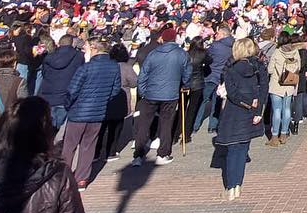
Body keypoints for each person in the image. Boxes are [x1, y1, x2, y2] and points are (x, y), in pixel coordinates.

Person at [62, 39, 122, 189]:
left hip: (78, 113)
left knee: (69, 146)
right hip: (98, 112)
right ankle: (82, 179)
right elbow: (115, 90)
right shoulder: (114, 67)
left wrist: (68, 105)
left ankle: (64, 177)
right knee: (88, 146)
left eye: (87, 46)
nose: (85, 48)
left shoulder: (86, 68)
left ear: (94, 48)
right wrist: (102, 101)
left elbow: (72, 91)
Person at [132, 25, 192, 167]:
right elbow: (187, 73)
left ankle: (138, 156)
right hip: (170, 94)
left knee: (144, 124)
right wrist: (185, 85)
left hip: (152, 93)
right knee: (166, 124)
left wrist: (143, 91)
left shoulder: (154, 53)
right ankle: (162, 153)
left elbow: (143, 75)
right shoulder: (182, 54)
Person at [214, 37, 265, 199]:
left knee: (233, 149)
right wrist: (258, 109)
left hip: (234, 111)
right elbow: (264, 89)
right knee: (242, 149)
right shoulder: (259, 67)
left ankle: (231, 185)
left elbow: (232, 92)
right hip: (252, 111)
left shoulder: (231, 68)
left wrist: (248, 103)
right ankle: (238, 185)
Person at [34, 33, 83, 129]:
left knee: (45, 126)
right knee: (57, 128)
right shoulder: (79, 56)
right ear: (72, 44)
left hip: (48, 93)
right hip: (65, 95)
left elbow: (44, 73)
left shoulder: (49, 56)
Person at [267, 34, 302, 147]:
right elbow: (299, 67)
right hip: (289, 84)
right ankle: (284, 134)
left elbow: (270, 70)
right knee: (286, 109)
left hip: (277, 84)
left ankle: (274, 137)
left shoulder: (277, 52)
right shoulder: (295, 52)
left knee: (277, 110)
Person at [197, 25, 233, 132]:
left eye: (217, 34)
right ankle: (213, 126)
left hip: (211, 76)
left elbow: (206, 56)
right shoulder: (233, 46)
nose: (216, 35)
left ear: (222, 34)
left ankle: (196, 124)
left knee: (203, 101)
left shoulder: (215, 46)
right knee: (216, 102)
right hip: (222, 77)